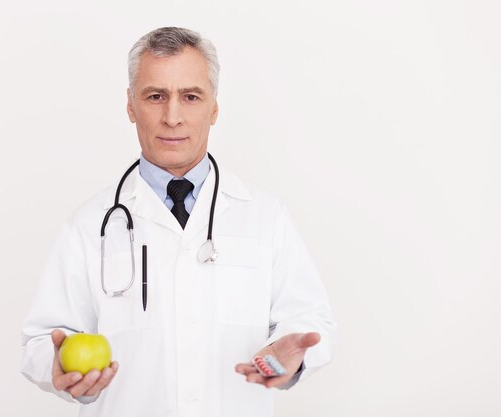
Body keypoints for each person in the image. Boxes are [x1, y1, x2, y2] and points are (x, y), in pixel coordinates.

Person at [21, 27, 337, 417]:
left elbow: (308, 319)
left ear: (214, 107)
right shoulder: (90, 224)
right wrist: (57, 368)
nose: (172, 117)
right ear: (131, 105)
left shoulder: (264, 216)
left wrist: (289, 357)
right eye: (156, 96)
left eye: (190, 96)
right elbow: (42, 339)